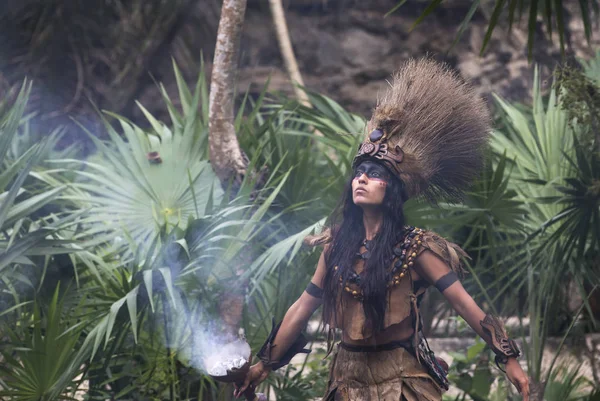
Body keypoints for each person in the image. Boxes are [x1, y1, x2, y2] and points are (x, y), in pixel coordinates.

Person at [234, 58, 530, 401]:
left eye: (374, 175)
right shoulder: (337, 246)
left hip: (402, 381)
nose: (361, 179)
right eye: (359, 172)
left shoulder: (418, 249)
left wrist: (508, 358)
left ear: (392, 190)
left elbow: (464, 304)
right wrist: (262, 366)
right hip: (345, 382)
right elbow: (303, 307)